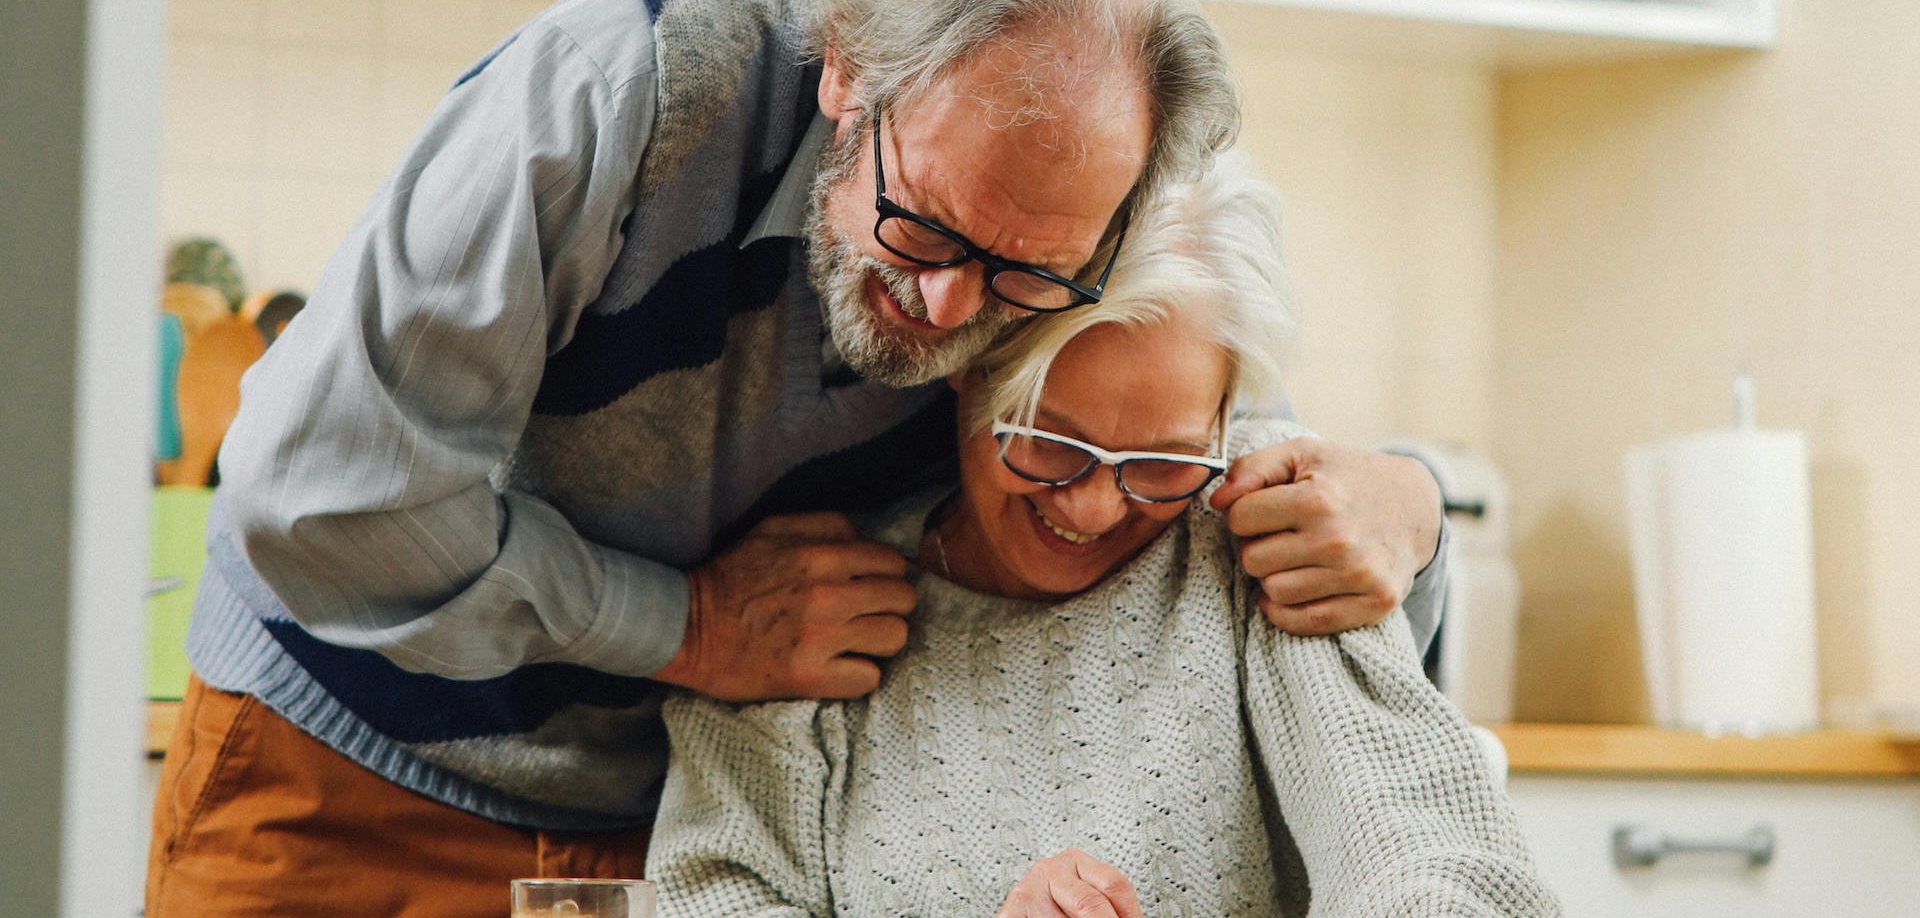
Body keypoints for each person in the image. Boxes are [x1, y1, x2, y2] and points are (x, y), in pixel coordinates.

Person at [147, 0, 1451, 915]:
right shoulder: (636, 77)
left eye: (1024, 276)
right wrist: (687, 624)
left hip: (660, 825)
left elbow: (1193, 416)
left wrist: (1412, 501)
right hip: (347, 771)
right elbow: (323, 496)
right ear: (845, 75)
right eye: (923, 230)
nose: (950, 313)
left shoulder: (1080, 227)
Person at [648, 161, 1557, 918]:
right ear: (967, 376)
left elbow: (1450, 868)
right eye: (1047, 441)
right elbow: (708, 899)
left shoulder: (1262, 536)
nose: (1089, 510)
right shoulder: (807, 618)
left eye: (1161, 463)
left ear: (1225, 421)